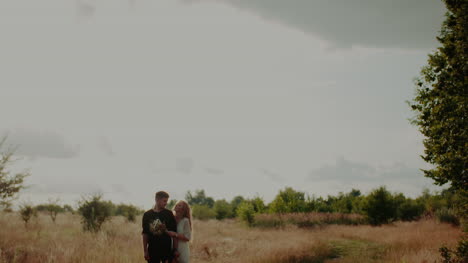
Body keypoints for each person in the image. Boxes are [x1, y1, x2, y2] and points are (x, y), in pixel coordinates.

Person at [142, 191, 178, 263]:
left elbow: (174, 234)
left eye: (167, 201)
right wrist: (145, 251)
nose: (166, 203)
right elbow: (145, 234)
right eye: (164, 201)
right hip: (152, 249)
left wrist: (175, 250)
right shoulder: (147, 215)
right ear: (157, 199)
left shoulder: (169, 214)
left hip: (166, 249)